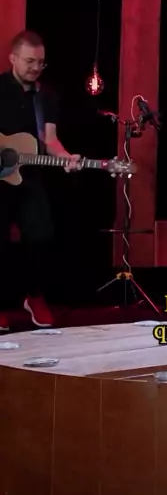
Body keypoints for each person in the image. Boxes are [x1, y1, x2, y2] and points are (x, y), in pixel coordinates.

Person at [0, 30, 81, 331]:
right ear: (13, 58)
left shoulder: (46, 96)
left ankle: (34, 296)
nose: (36, 68)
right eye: (30, 61)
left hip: (29, 177)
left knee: (41, 236)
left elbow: (50, 140)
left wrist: (66, 157)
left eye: (41, 62)